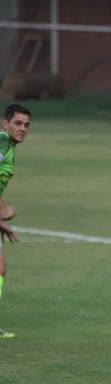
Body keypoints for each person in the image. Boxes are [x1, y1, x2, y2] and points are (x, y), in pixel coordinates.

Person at [0, 103, 32, 340]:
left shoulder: (8, 146)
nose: (23, 129)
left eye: (27, 125)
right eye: (18, 123)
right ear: (5, 123)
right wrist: (3, 207)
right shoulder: (2, 143)